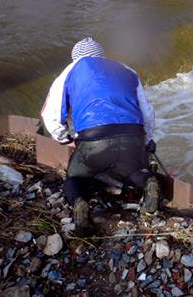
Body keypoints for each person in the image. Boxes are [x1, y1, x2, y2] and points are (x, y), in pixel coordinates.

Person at [41, 37, 159, 232]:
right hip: (133, 135)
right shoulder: (127, 70)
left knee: (75, 178)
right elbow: (147, 112)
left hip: (95, 138)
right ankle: (147, 181)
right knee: (131, 171)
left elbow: (50, 116)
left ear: (75, 58)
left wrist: (65, 139)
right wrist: (146, 141)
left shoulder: (70, 71)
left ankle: (79, 202)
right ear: (102, 55)